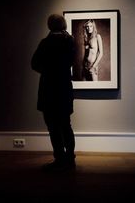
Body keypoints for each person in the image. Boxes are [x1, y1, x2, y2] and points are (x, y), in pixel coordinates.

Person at [31, 14, 76, 171]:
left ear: (49, 25)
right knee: (65, 124)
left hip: (48, 88)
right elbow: (73, 61)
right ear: (63, 24)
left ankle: (60, 158)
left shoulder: (45, 43)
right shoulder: (69, 41)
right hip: (64, 87)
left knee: (53, 126)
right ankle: (70, 158)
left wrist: (48, 70)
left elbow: (34, 63)